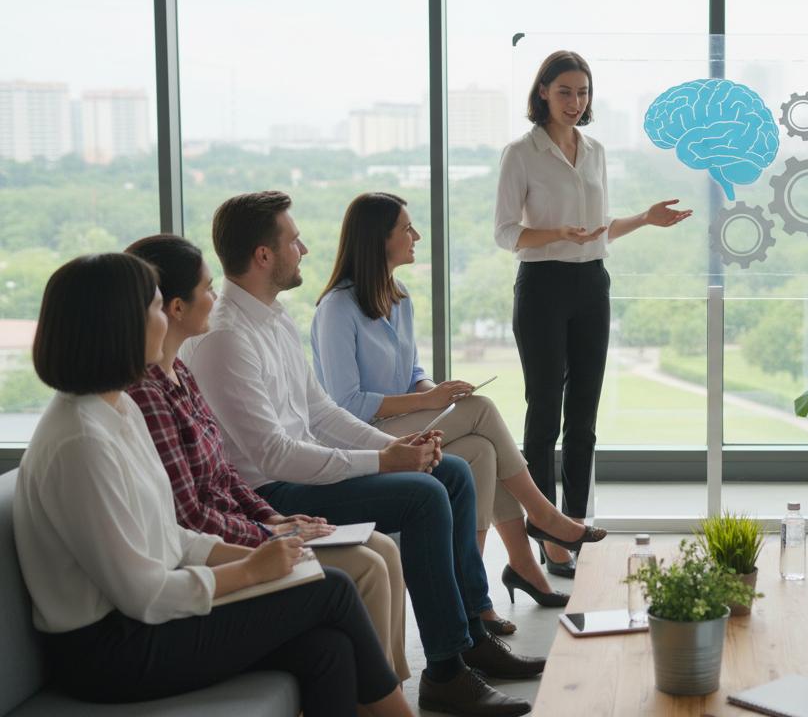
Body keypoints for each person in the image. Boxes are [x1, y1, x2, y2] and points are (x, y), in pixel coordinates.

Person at [179, 191, 536, 717]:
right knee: (423, 496)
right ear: (263, 256)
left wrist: (394, 446)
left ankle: (470, 635)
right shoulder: (227, 338)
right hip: (270, 494)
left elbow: (320, 412)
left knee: (454, 472)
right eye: (294, 240)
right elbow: (274, 456)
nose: (304, 248)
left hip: (301, 470)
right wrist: (384, 462)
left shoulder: (272, 317)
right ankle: (445, 671)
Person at [13, 253, 412, 717]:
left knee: (328, 650)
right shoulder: (81, 441)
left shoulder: (117, 409)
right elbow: (143, 594)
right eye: (157, 308)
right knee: (332, 589)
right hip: (110, 650)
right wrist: (251, 571)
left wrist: (256, 554)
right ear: (120, 325)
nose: (165, 319)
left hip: (139, 622)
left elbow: (167, 533)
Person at [311, 192, 606, 633]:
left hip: (403, 421)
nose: (416, 236)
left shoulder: (398, 297)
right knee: (481, 410)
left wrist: (438, 393)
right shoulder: (336, 308)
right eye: (406, 229)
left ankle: (485, 588)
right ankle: (542, 518)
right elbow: (345, 402)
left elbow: (413, 373)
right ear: (378, 239)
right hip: (362, 437)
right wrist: (429, 402)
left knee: (482, 451)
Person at [124, 233, 411, 681]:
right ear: (175, 308)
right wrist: (266, 533)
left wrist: (275, 520)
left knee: (384, 549)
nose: (215, 298)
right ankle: (382, 700)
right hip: (216, 548)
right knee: (368, 566)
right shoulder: (151, 392)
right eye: (207, 289)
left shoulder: (179, 372)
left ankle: (388, 688)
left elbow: (225, 474)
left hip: (243, 522)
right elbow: (190, 515)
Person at [494, 49, 691, 574]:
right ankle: (547, 533)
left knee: (583, 417)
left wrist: (644, 219)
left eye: (582, 93)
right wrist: (557, 232)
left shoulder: (595, 150)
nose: (575, 102)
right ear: (542, 92)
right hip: (542, 286)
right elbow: (506, 233)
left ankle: (573, 526)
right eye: (565, 92)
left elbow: (599, 231)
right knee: (544, 414)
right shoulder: (521, 153)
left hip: (591, 284)